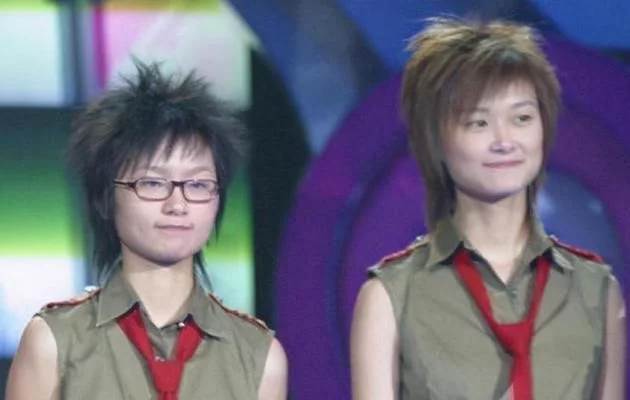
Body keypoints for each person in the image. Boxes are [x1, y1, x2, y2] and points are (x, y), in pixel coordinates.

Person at [350, 18, 626, 400]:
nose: (504, 140)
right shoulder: (390, 297)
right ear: (435, 140)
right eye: (478, 122)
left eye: (522, 118)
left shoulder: (596, 290)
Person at [6, 62, 288, 400]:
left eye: (198, 185)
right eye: (153, 183)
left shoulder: (258, 355)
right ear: (106, 197)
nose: (177, 204)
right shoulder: (54, 341)